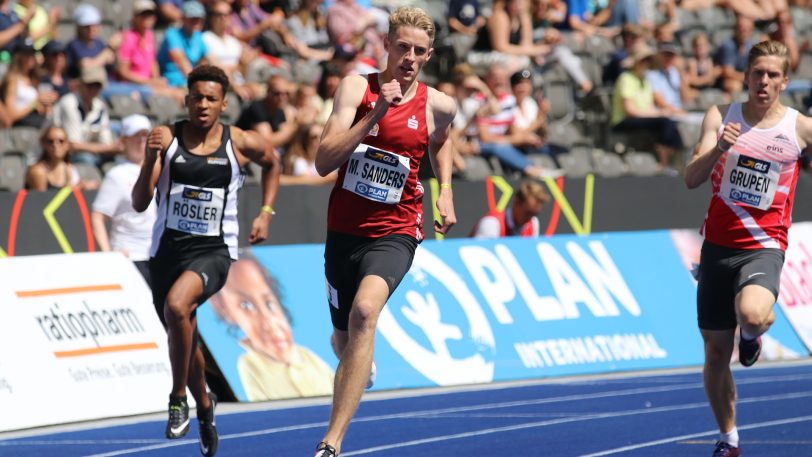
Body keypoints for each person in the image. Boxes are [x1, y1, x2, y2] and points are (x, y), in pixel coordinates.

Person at [312, 7, 457, 457]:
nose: (409, 57)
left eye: (418, 51)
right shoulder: (357, 88)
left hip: (397, 230)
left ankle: (331, 442)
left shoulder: (439, 104)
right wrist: (375, 114)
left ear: (428, 55)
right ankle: (359, 360)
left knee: (364, 313)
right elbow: (323, 161)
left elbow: (443, 137)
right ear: (387, 47)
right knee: (343, 338)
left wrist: (445, 190)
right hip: (344, 231)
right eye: (402, 48)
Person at [131, 64, 281, 457]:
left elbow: (273, 163)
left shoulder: (240, 142)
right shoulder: (169, 140)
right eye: (196, 97)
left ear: (223, 104)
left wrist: (266, 212)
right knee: (184, 332)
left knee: (178, 305)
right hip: (166, 252)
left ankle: (178, 397)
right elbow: (140, 203)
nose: (202, 105)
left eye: (211, 99)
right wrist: (150, 159)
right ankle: (205, 403)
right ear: (186, 100)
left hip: (213, 251)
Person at [684, 40, 812, 457]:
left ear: (785, 81)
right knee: (716, 352)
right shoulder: (721, 116)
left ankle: (753, 334)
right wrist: (720, 147)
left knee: (752, 314)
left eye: (773, 75)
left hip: (763, 247)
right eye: (758, 73)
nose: (764, 81)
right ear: (746, 76)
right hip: (717, 247)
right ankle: (729, 438)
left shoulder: (800, 127)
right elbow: (690, 178)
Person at [209, 257, 335, 401]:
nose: (269, 323)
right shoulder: (250, 366)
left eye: (269, 303)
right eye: (246, 306)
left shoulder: (307, 357)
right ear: (227, 314)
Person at [91, 114, 156, 286]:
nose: (142, 141)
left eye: (145, 135)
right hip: (131, 256)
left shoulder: (160, 170)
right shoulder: (117, 175)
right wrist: (109, 255)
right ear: (124, 140)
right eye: (136, 136)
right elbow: (98, 216)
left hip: (158, 255)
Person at [53, 66, 122, 167]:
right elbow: (73, 145)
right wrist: (110, 148)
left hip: (85, 153)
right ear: (80, 84)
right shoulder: (69, 103)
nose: (93, 89)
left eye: (97, 86)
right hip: (60, 156)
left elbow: (105, 141)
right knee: (86, 159)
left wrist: (109, 148)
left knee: (114, 160)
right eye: (89, 85)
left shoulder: (100, 107)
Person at [470, 179, 550, 238]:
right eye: (527, 213)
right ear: (516, 203)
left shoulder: (533, 223)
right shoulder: (491, 224)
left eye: (534, 214)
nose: (530, 218)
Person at [24, 125, 95, 190]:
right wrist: (76, 189)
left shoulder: (70, 170)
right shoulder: (38, 172)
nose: (56, 145)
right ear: (43, 144)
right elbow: (42, 201)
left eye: (61, 141)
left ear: (67, 144)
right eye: (50, 141)